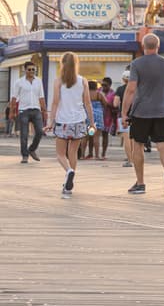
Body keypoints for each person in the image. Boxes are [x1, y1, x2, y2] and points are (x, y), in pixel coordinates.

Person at [121, 34, 164, 194]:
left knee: (137, 146)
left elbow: (131, 89)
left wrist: (124, 113)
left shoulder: (136, 64)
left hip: (140, 112)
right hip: (161, 111)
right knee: (163, 146)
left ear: (143, 46)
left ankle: (140, 183)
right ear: (158, 46)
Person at [43, 52, 93, 198]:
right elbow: (88, 103)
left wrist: (50, 122)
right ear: (76, 64)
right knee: (73, 152)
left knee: (60, 154)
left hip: (63, 121)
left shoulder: (58, 81)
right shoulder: (83, 80)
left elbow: (55, 102)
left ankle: (68, 172)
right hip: (79, 120)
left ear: (62, 64)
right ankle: (69, 184)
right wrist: (92, 123)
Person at [14, 62, 46, 163]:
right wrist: (11, 111)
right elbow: (14, 97)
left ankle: (32, 149)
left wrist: (44, 110)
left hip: (36, 110)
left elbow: (41, 97)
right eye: (29, 69)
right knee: (24, 135)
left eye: (33, 69)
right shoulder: (19, 82)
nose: (32, 71)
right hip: (24, 111)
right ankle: (25, 156)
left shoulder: (39, 81)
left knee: (40, 132)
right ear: (25, 70)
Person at [98, 76, 116, 161]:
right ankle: (92, 153)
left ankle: (103, 154)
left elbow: (115, 106)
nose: (103, 87)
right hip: (97, 117)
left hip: (107, 118)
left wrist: (106, 103)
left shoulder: (113, 94)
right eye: (102, 85)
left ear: (110, 85)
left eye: (105, 85)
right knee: (92, 134)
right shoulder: (98, 91)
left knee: (105, 135)